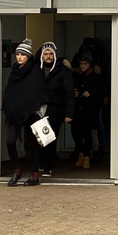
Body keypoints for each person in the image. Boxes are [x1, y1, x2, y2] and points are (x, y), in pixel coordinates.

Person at [3, 38, 48, 186]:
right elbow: (9, 91)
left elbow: (38, 91)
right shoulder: (14, 72)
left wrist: (33, 107)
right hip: (14, 113)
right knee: (10, 142)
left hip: (30, 112)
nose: (19, 57)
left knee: (33, 144)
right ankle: (16, 170)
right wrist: (7, 107)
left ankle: (34, 175)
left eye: (22, 55)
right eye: (17, 54)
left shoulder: (36, 71)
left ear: (28, 56)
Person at [39, 41, 74, 176]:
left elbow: (69, 93)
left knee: (50, 138)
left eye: (50, 54)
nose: (48, 56)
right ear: (42, 56)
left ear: (54, 55)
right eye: (45, 54)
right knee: (39, 138)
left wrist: (69, 113)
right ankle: (40, 163)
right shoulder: (37, 70)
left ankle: (48, 166)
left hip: (55, 109)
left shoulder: (63, 71)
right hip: (38, 109)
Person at [72, 52, 104, 169]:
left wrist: (91, 93)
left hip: (89, 109)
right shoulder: (76, 76)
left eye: (85, 64)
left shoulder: (95, 77)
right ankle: (81, 154)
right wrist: (73, 93)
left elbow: (101, 91)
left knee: (87, 134)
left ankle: (86, 157)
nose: (83, 66)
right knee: (76, 133)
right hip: (78, 109)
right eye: (81, 64)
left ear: (90, 64)